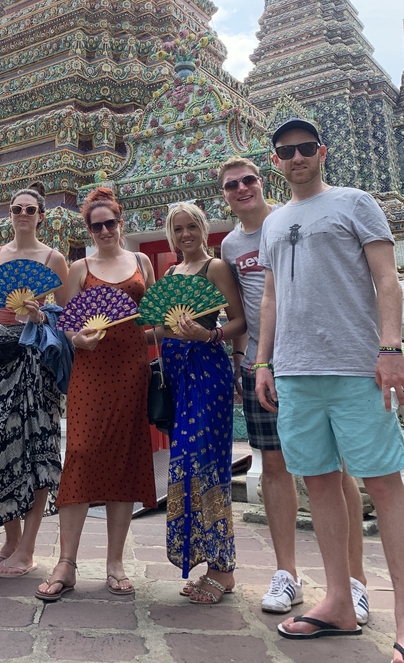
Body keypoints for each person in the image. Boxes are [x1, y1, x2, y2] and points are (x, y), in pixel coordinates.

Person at [255, 118, 404, 655]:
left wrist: (391, 349)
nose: (295, 157)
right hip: (294, 370)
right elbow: (270, 298)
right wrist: (263, 362)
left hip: (354, 364)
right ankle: (339, 602)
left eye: (304, 148)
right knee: (317, 483)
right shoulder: (274, 223)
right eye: (284, 151)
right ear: (276, 160)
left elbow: (387, 278)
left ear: (321, 152)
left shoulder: (356, 202)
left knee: (384, 483)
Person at [220, 156, 370, 622]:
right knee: (274, 465)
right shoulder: (229, 245)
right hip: (264, 364)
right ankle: (287, 574)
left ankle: (352, 581)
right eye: (231, 185)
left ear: (264, 181)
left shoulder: (295, 218)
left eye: (248, 180)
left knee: (332, 468)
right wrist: (243, 362)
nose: (242, 189)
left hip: (318, 358)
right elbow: (243, 309)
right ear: (224, 194)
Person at [36, 186, 156, 602]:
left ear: (121, 222)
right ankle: (66, 562)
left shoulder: (141, 261)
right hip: (91, 368)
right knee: (82, 454)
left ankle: (115, 561)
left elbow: (150, 319)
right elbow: (64, 323)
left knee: (123, 457)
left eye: (110, 222)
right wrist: (77, 339)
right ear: (88, 229)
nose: (104, 230)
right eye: (96, 225)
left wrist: (180, 324)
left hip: (132, 368)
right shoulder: (79, 267)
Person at [0, 183, 68, 578]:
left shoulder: (54, 258)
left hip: (35, 364)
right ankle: (10, 539)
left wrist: (38, 314)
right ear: (9, 212)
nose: (23, 215)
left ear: (41, 215)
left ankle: (28, 548)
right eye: (17, 208)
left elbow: (65, 319)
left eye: (30, 210)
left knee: (36, 450)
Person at [158, 201, 246, 604]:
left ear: (203, 228)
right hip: (177, 372)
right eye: (178, 229)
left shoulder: (215, 268)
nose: (185, 235)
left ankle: (222, 569)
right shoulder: (172, 273)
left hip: (208, 369)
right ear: (171, 235)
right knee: (185, 465)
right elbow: (158, 327)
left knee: (205, 460)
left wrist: (209, 336)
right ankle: (205, 562)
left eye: (191, 226)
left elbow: (239, 319)